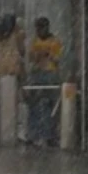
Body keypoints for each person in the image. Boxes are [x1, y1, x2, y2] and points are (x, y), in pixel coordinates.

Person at [27, 16, 64, 146]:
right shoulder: (34, 41)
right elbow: (31, 58)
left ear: (46, 28)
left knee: (50, 105)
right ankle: (33, 134)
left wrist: (47, 54)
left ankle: (50, 135)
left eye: (40, 28)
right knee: (34, 104)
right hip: (37, 73)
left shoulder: (55, 41)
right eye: (36, 29)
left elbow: (57, 60)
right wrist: (38, 55)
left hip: (50, 74)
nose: (38, 31)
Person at [0, 14, 25, 142]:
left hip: (0, 69)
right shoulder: (17, 35)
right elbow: (22, 50)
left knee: (0, 102)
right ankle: (10, 132)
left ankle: (0, 133)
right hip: (13, 68)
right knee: (12, 103)